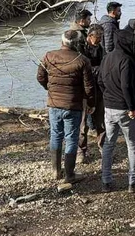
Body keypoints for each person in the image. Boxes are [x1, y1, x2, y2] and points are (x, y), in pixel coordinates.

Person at [37, 30, 95, 184]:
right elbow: (89, 87)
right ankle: (70, 174)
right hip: (73, 104)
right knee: (71, 138)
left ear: (62, 42)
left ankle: (56, 171)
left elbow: (40, 77)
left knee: (56, 135)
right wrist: (91, 103)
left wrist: (50, 89)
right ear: (77, 43)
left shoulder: (49, 56)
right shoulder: (82, 60)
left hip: (54, 103)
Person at [98, 30, 135, 193]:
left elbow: (100, 80)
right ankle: (133, 181)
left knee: (109, 144)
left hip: (109, 107)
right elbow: (126, 86)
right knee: (132, 144)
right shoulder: (126, 60)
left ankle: (106, 181)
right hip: (124, 109)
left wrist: (107, 95)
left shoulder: (106, 57)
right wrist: (132, 107)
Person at [77, 24, 105, 164]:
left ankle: (103, 148)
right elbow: (82, 68)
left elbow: (103, 66)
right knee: (83, 125)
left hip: (98, 89)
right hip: (84, 92)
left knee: (101, 122)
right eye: (98, 37)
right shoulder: (80, 49)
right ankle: (81, 151)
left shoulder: (100, 49)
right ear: (90, 36)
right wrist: (97, 70)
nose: (99, 40)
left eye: (101, 37)